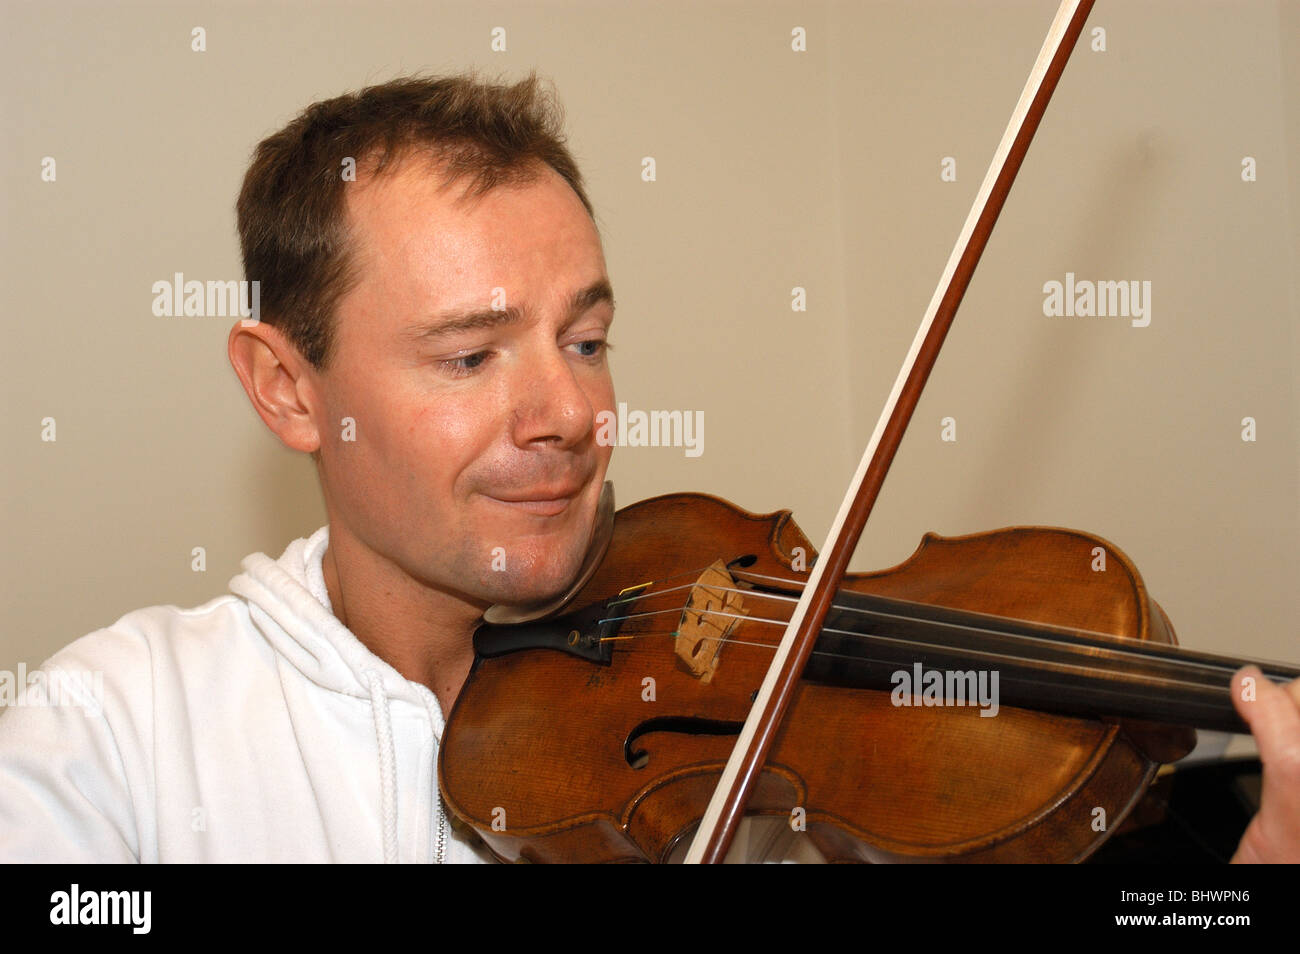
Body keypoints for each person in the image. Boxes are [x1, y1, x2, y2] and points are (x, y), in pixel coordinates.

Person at [0, 73, 1295, 864]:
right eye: (469, 357)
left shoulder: (744, 745)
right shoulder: (110, 738)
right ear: (288, 386)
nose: (570, 408)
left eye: (588, 338)